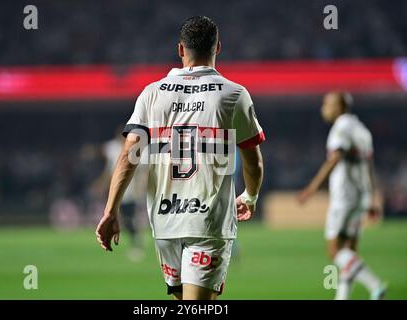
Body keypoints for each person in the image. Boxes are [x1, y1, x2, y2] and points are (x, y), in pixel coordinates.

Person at [96, 16, 265, 300]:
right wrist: (250, 196)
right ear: (218, 48)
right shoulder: (234, 94)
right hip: (208, 223)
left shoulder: (152, 93)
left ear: (180, 50)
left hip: (165, 223)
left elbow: (129, 154)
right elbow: (253, 160)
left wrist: (110, 210)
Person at [298, 91, 386, 300]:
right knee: (349, 251)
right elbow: (370, 166)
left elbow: (334, 158)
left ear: (339, 107)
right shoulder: (362, 130)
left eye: (326, 104)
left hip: (344, 197)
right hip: (361, 195)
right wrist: (373, 197)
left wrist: (312, 187)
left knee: (335, 251)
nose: (323, 109)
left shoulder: (341, 129)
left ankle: (375, 285)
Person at [101, 128, 147, 262]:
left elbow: (141, 172)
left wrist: (139, 188)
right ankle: (136, 240)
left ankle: (137, 243)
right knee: (124, 218)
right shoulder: (114, 150)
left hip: (129, 191)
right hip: (116, 189)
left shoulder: (136, 150)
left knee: (128, 218)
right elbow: (109, 170)